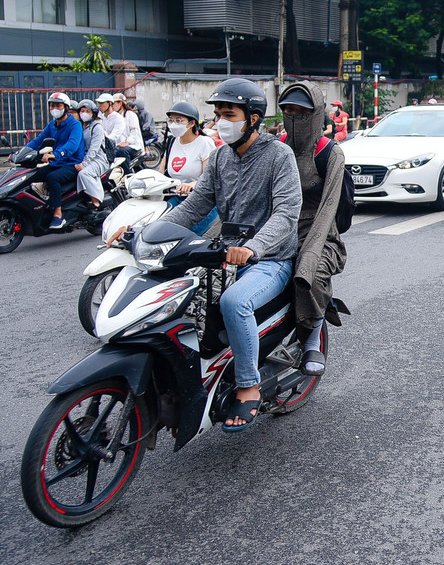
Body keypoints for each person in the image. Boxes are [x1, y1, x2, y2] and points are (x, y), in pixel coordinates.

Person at [118, 78, 301, 432]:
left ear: (253, 118)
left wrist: (253, 248)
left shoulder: (279, 155)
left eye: (228, 114)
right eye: (217, 114)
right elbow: (191, 208)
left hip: (270, 258)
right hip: (222, 255)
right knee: (174, 298)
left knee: (234, 302)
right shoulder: (218, 157)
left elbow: (286, 213)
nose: (220, 121)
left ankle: (248, 386)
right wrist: (143, 233)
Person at [278, 82, 351, 376]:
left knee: (309, 271)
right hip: (279, 229)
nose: (294, 116)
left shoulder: (330, 153)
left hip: (321, 233)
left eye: (302, 112)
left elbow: (328, 208)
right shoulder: (277, 147)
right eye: (289, 111)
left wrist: (308, 253)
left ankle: (312, 339)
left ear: (316, 113)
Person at [19, 92, 85, 229]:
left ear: (66, 108)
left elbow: (72, 145)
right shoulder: (52, 125)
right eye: (52, 106)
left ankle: (58, 214)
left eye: (58, 105)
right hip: (57, 162)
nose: (55, 108)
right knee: (32, 174)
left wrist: (56, 154)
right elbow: (38, 141)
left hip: (71, 163)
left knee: (52, 177)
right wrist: (20, 153)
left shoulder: (75, 125)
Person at [160, 100, 218, 236]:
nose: (173, 124)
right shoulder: (171, 141)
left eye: (179, 121)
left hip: (199, 200)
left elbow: (209, 177)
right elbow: (161, 173)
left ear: (192, 123)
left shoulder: (205, 143)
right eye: (171, 120)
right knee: (158, 228)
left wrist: (192, 184)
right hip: (175, 197)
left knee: (184, 237)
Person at [74, 99, 109, 209]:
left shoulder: (96, 127)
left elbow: (94, 149)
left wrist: (84, 164)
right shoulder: (81, 126)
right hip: (84, 157)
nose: (84, 113)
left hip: (98, 159)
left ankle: (97, 200)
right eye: (82, 111)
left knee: (83, 174)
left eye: (87, 111)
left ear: (93, 113)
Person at [115, 93, 144, 166]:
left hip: (133, 145)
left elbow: (134, 131)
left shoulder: (130, 115)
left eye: (113, 103)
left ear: (120, 103)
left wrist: (127, 142)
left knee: (122, 152)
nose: (112, 106)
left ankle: (127, 174)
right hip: (120, 145)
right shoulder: (115, 117)